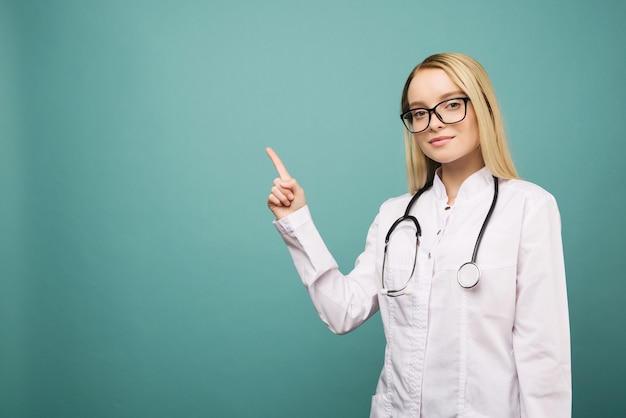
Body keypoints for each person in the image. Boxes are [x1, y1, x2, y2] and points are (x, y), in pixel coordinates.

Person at [266, 52, 571, 417]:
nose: (434, 123)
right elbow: (342, 311)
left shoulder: (529, 208)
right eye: (419, 112)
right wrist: (297, 223)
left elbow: (543, 355)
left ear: (484, 108)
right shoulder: (395, 215)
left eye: (452, 104)